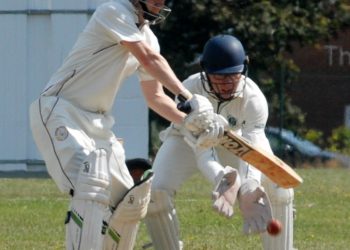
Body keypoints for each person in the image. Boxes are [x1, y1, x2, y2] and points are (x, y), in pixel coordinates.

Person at [29, 1, 227, 249]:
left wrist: (193, 123)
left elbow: (155, 97)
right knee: (91, 186)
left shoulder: (149, 38)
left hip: (98, 124)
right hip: (60, 110)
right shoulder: (112, 11)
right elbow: (147, 58)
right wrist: (187, 97)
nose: (159, 2)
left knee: (130, 202)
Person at [145, 34, 295, 250]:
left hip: (235, 142)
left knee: (279, 187)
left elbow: (256, 145)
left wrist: (250, 184)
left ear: (243, 68)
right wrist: (219, 176)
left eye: (232, 76)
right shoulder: (190, 88)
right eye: (219, 77)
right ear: (205, 70)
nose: (226, 84)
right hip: (186, 139)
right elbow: (199, 144)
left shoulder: (253, 99)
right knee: (156, 191)